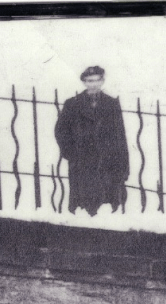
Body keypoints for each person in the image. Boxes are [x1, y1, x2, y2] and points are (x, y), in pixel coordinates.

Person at [53, 66, 129, 216]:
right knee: (83, 204)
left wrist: (123, 165)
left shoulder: (112, 104)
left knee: (106, 204)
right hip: (82, 161)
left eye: (96, 80)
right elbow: (61, 131)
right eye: (89, 81)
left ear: (102, 81)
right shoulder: (72, 104)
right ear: (84, 82)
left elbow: (120, 135)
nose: (93, 84)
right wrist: (71, 153)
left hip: (106, 160)